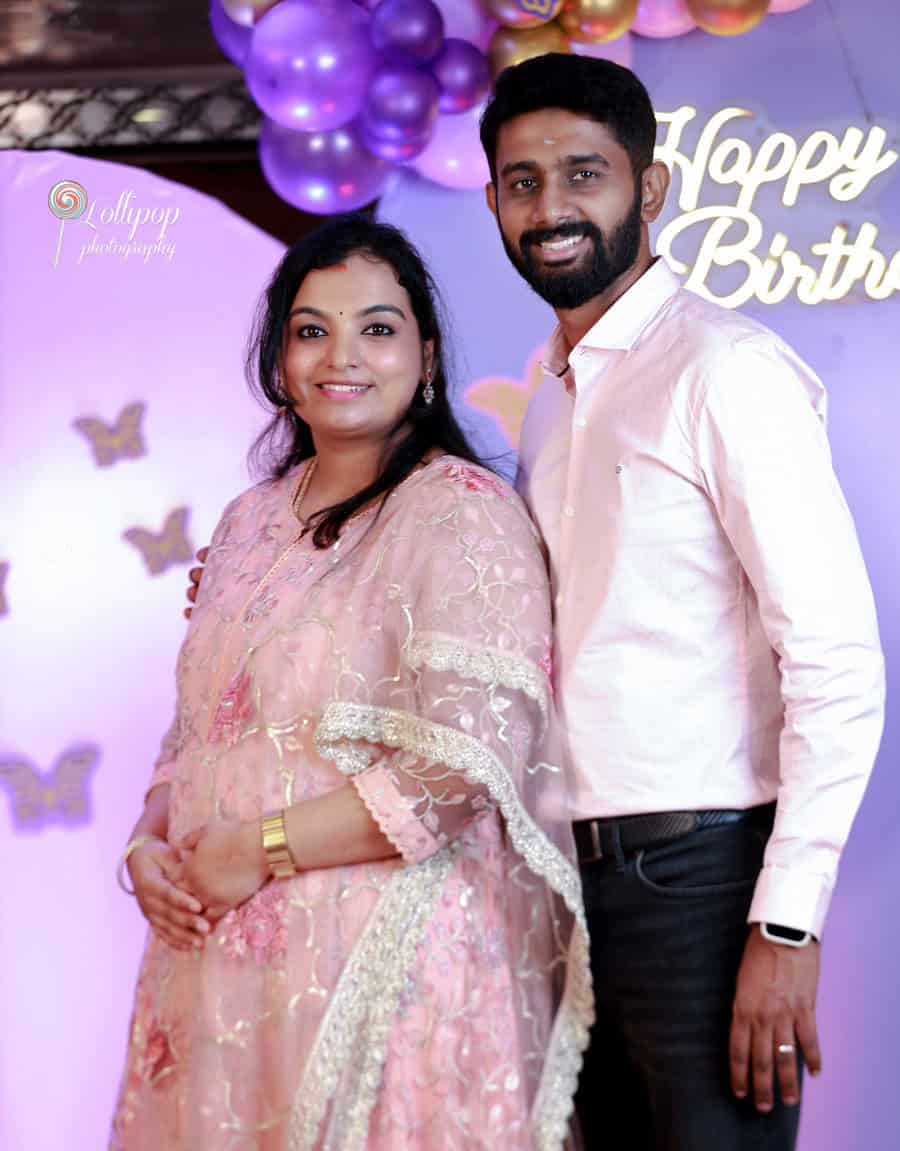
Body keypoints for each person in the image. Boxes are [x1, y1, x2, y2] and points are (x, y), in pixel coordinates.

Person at [113, 215, 592, 1151]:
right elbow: (203, 727)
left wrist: (262, 847)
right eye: (311, 329)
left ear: (426, 355)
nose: (343, 355)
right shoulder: (251, 519)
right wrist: (147, 842)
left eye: (377, 327)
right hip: (222, 970)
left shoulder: (460, 512)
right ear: (281, 361)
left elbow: (466, 765)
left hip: (385, 963)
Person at [478, 54, 885, 1151]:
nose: (552, 208)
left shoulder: (725, 369)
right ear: (493, 203)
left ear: (648, 189)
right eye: (523, 183)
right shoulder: (552, 398)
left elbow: (838, 661)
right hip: (567, 888)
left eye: (583, 174)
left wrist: (783, 923)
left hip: (703, 890)